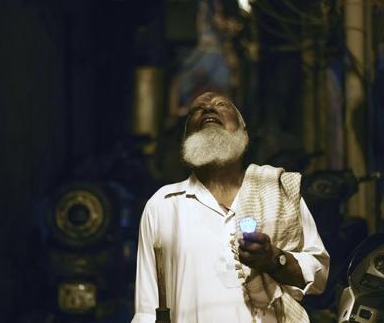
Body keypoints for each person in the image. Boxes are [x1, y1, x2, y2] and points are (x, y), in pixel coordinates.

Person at [132, 92, 330, 323]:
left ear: (243, 132)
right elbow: (146, 311)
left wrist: (273, 258)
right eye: (198, 109)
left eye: (220, 105)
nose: (208, 109)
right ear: (186, 137)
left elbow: (319, 277)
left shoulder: (278, 189)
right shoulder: (164, 204)